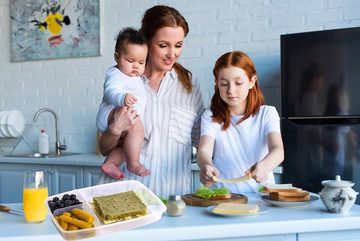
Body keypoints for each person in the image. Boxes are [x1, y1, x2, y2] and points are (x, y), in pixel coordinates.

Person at [97, 5, 205, 198]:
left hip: (173, 196)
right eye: (163, 45)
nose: (172, 54)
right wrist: (115, 129)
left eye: (178, 45)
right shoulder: (125, 80)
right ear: (147, 41)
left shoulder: (189, 85)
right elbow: (104, 148)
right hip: (124, 194)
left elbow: (202, 140)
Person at [197, 51, 284, 193]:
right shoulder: (210, 116)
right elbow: (204, 151)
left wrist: (265, 165)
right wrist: (206, 165)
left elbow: (278, 150)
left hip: (261, 194)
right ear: (217, 83)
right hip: (223, 195)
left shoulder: (267, 113)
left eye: (238, 83)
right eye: (224, 84)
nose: (231, 90)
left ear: (252, 81)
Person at [96, 27, 150, 179]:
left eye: (141, 62)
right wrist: (122, 98)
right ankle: (133, 163)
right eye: (130, 60)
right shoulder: (116, 73)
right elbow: (110, 90)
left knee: (124, 148)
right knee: (138, 127)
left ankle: (110, 164)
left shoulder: (136, 78)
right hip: (112, 113)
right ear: (116, 57)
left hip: (123, 118)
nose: (136, 66)